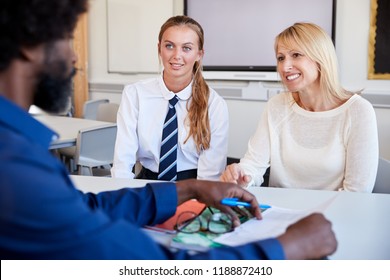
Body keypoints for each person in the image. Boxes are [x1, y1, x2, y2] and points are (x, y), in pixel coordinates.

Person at [0, 0, 337, 260]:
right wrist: (286, 248)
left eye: (187, 48)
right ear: (30, 45)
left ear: (199, 55)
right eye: (64, 38)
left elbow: (85, 207)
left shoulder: (21, 156)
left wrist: (188, 189)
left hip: (183, 189)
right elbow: (161, 265)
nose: (75, 56)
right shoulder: (18, 170)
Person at [220, 22, 379, 192]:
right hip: (278, 214)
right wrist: (240, 176)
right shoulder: (277, 105)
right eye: (281, 58)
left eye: (296, 55)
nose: (285, 66)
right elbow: (254, 164)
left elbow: (357, 192)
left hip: (331, 215)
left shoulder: (358, 111)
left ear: (320, 59)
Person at [111, 15, 229, 181]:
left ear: (199, 55)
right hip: (147, 184)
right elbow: (122, 162)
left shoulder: (214, 105)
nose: (176, 55)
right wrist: (122, 198)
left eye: (186, 48)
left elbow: (210, 177)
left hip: (193, 187)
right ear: (159, 49)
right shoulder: (135, 94)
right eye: (169, 46)